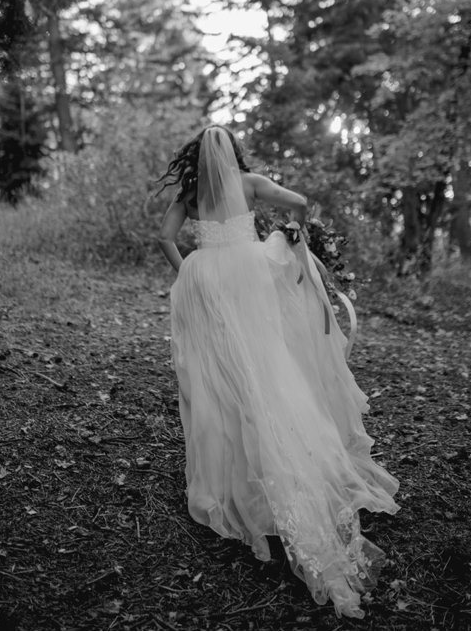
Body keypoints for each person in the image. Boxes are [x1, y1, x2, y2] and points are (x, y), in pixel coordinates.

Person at [157, 125, 399, 619]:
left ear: (197, 159)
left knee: (221, 376)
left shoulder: (190, 193)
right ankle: (281, 452)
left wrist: (188, 270)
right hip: (249, 275)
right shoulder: (250, 183)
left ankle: (234, 475)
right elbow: (301, 201)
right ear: (232, 155)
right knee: (264, 360)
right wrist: (294, 232)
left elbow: (163, 237)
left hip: (208, 281)